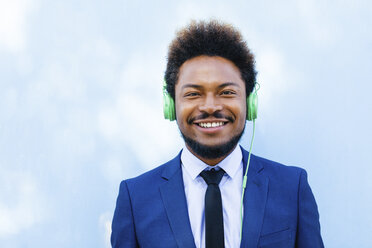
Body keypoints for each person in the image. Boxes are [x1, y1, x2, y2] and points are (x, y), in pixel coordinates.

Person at [111, 20, 324, 248]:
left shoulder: (292, 187)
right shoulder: (135, 198)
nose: (210, 106)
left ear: (250, 103)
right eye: (193, 94)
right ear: (171, 106)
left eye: (227, 92)